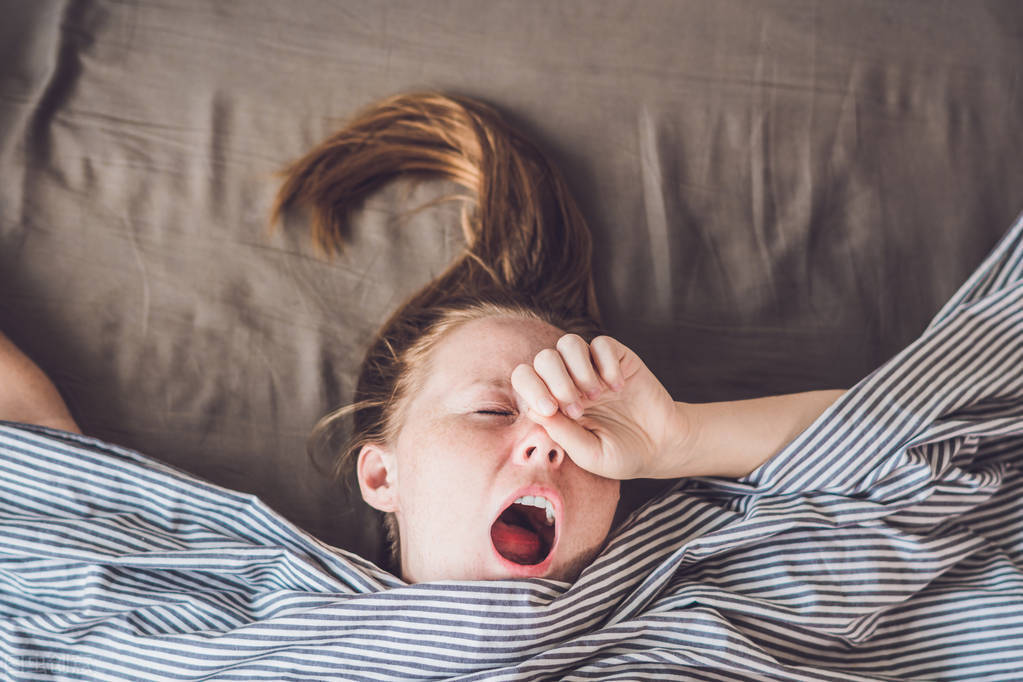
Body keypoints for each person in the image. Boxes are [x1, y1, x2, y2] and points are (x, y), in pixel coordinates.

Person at [268, 92, 847, 583]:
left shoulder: (696, 587)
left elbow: (920, 447)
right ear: (383, 475)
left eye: (583, 425)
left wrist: (681, 439)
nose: (548, 443)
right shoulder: (275, 625)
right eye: (492, 410)